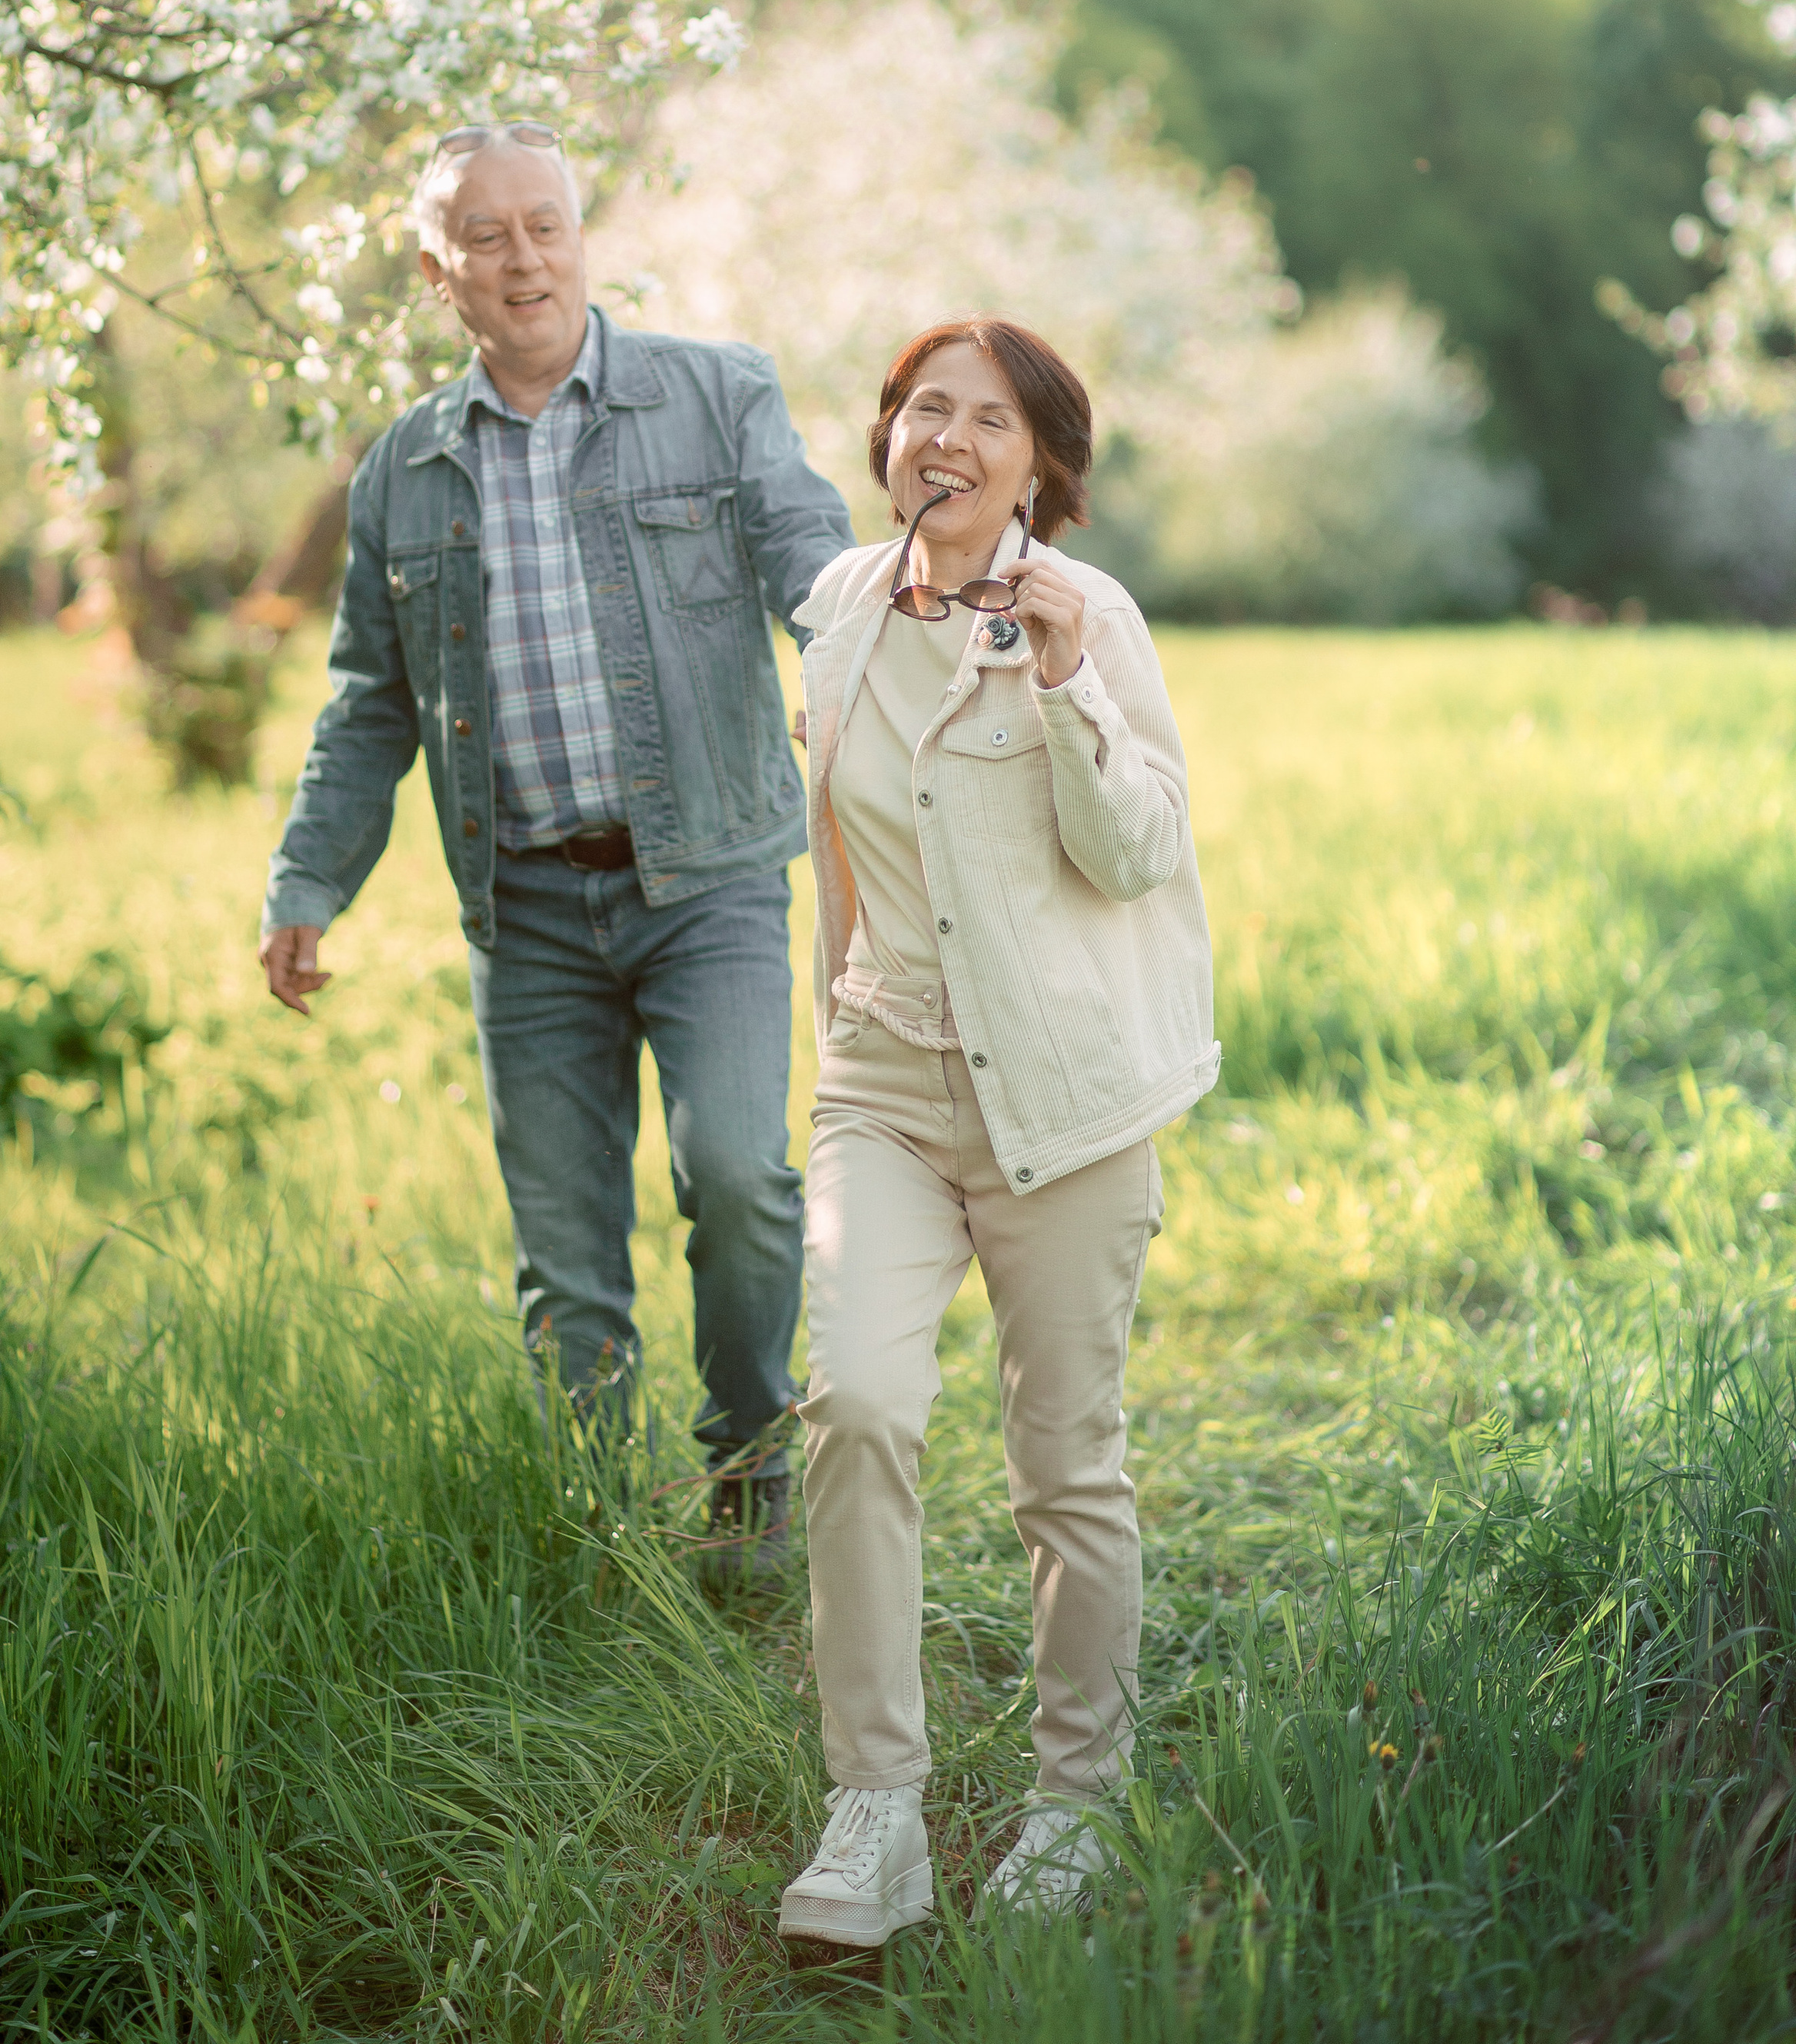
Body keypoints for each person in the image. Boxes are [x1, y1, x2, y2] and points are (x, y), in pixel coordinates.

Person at [258, 121, 853, 1573]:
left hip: (709, 876)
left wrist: (869, 650)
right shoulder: (404, 472)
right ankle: (597, 1532)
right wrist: (308, 879)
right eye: (486, 235)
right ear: (437, 271)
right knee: (568, 1255)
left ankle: (752, 1471)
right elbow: (370, 702)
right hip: (525, 909)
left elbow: (812, 558)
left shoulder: (715, 396)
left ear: (582, 238)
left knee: (740, 1177)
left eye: (546, 225)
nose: (522, 258)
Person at [776, 318, 1219, 1947]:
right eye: (922, 409)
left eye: (986, 420)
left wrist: (1065, 679)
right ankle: (874, 1809)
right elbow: (840, 851)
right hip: (882, 1087)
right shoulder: (837, 608)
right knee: (853, 1404)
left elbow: (1140, 850)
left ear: (1039, 466)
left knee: (1064, 1467)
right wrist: (836, 1033)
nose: (944, 439)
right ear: (888, 436)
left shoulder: (1089, 614)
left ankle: (1076, 1801)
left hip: (1063, 1102)